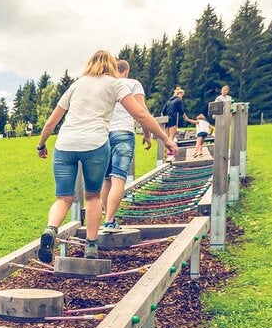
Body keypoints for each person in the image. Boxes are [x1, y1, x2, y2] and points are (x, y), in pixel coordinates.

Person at [35, 50, 177, 260]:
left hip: (65, 145)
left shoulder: (77, 84)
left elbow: (51, 121)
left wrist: (41, 145)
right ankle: (91, 246)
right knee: (92, 196)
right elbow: (140, 113)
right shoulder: (116, 83)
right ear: (111, 66)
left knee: (63, 198)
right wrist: (165, 139)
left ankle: (51, 230)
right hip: (95, 145)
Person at [102, 59, 153, 234]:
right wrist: (147, 134)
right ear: (126, 71)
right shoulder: (133, 83)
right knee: (118, 178)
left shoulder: (107, 85)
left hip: (105, 134)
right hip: (123, 132)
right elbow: (142, 111)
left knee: (106, 179)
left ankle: (107, 217)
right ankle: (109, 221)